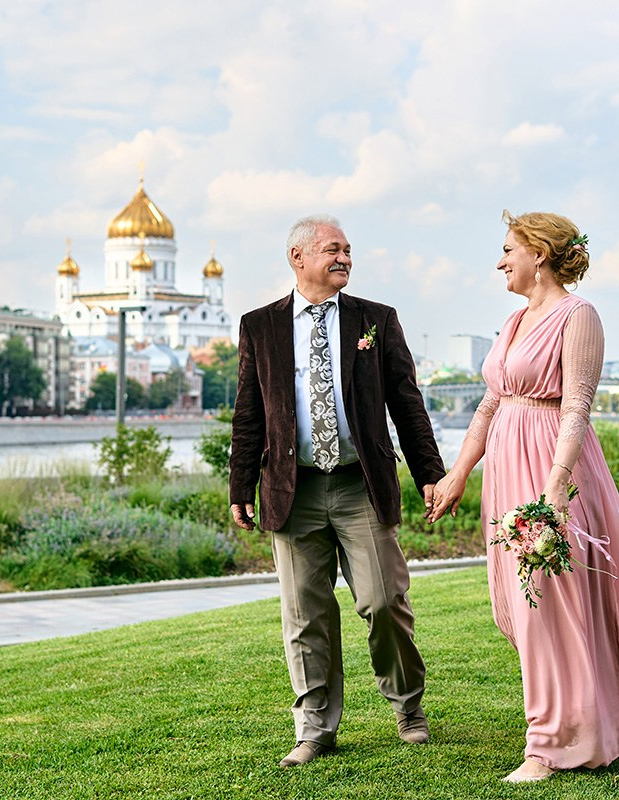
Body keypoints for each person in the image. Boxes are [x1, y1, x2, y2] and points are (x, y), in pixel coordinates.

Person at [427, 211, 619, 783]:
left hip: (551, 468)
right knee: (524, 607)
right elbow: (490, 403)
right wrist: (459, 473)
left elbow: (577, 405)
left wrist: (555, 486)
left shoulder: (579, 316)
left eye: (507, 250)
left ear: (538, 253)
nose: (500, 262)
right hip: (505, 469)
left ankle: (547, 746)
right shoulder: (514, 320)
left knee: (547, 602)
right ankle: (581, 726)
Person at [229, 214, 446, 768]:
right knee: (305, 615)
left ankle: (408, 707)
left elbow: (406, 401)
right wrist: (241, 483)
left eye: (348, 249)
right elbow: (249, 413)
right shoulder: (260, 326)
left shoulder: (376, 319)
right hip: (292, 488)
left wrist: (430, 473)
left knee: (383, 600)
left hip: (360, 484)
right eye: (332, 249)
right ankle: (315, 728)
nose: (344, 257)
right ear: (298, 258)